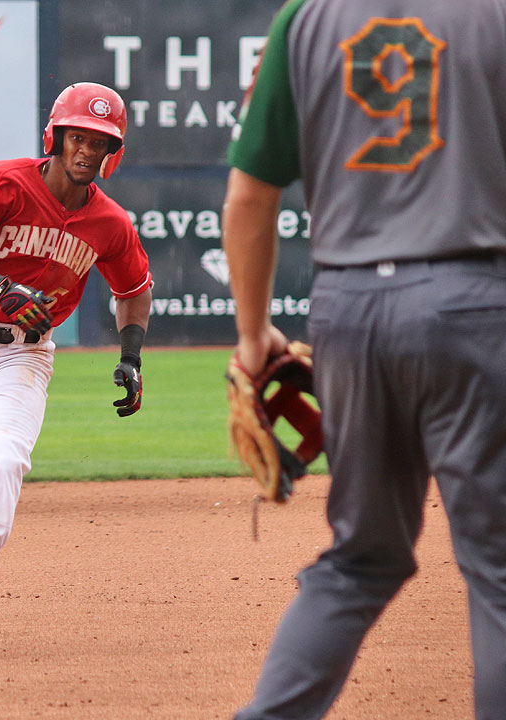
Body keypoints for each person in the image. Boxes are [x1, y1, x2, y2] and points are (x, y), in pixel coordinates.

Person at [222, 1, 506, 718]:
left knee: (361, 558)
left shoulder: (303, 18)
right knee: (499, 569)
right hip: (472, 302)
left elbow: (249, 196)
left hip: (346, 311)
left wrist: (253, 337)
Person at [0, 82, 153, 652]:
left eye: (100, 142)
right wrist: (1, 286)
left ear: (112, 152)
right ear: (56, 136)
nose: (87, 151)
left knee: (3, 459)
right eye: (78, 137)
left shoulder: (110, 222)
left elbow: (135, 290)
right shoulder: (1, 183)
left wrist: (131, 356)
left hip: (24, 353)